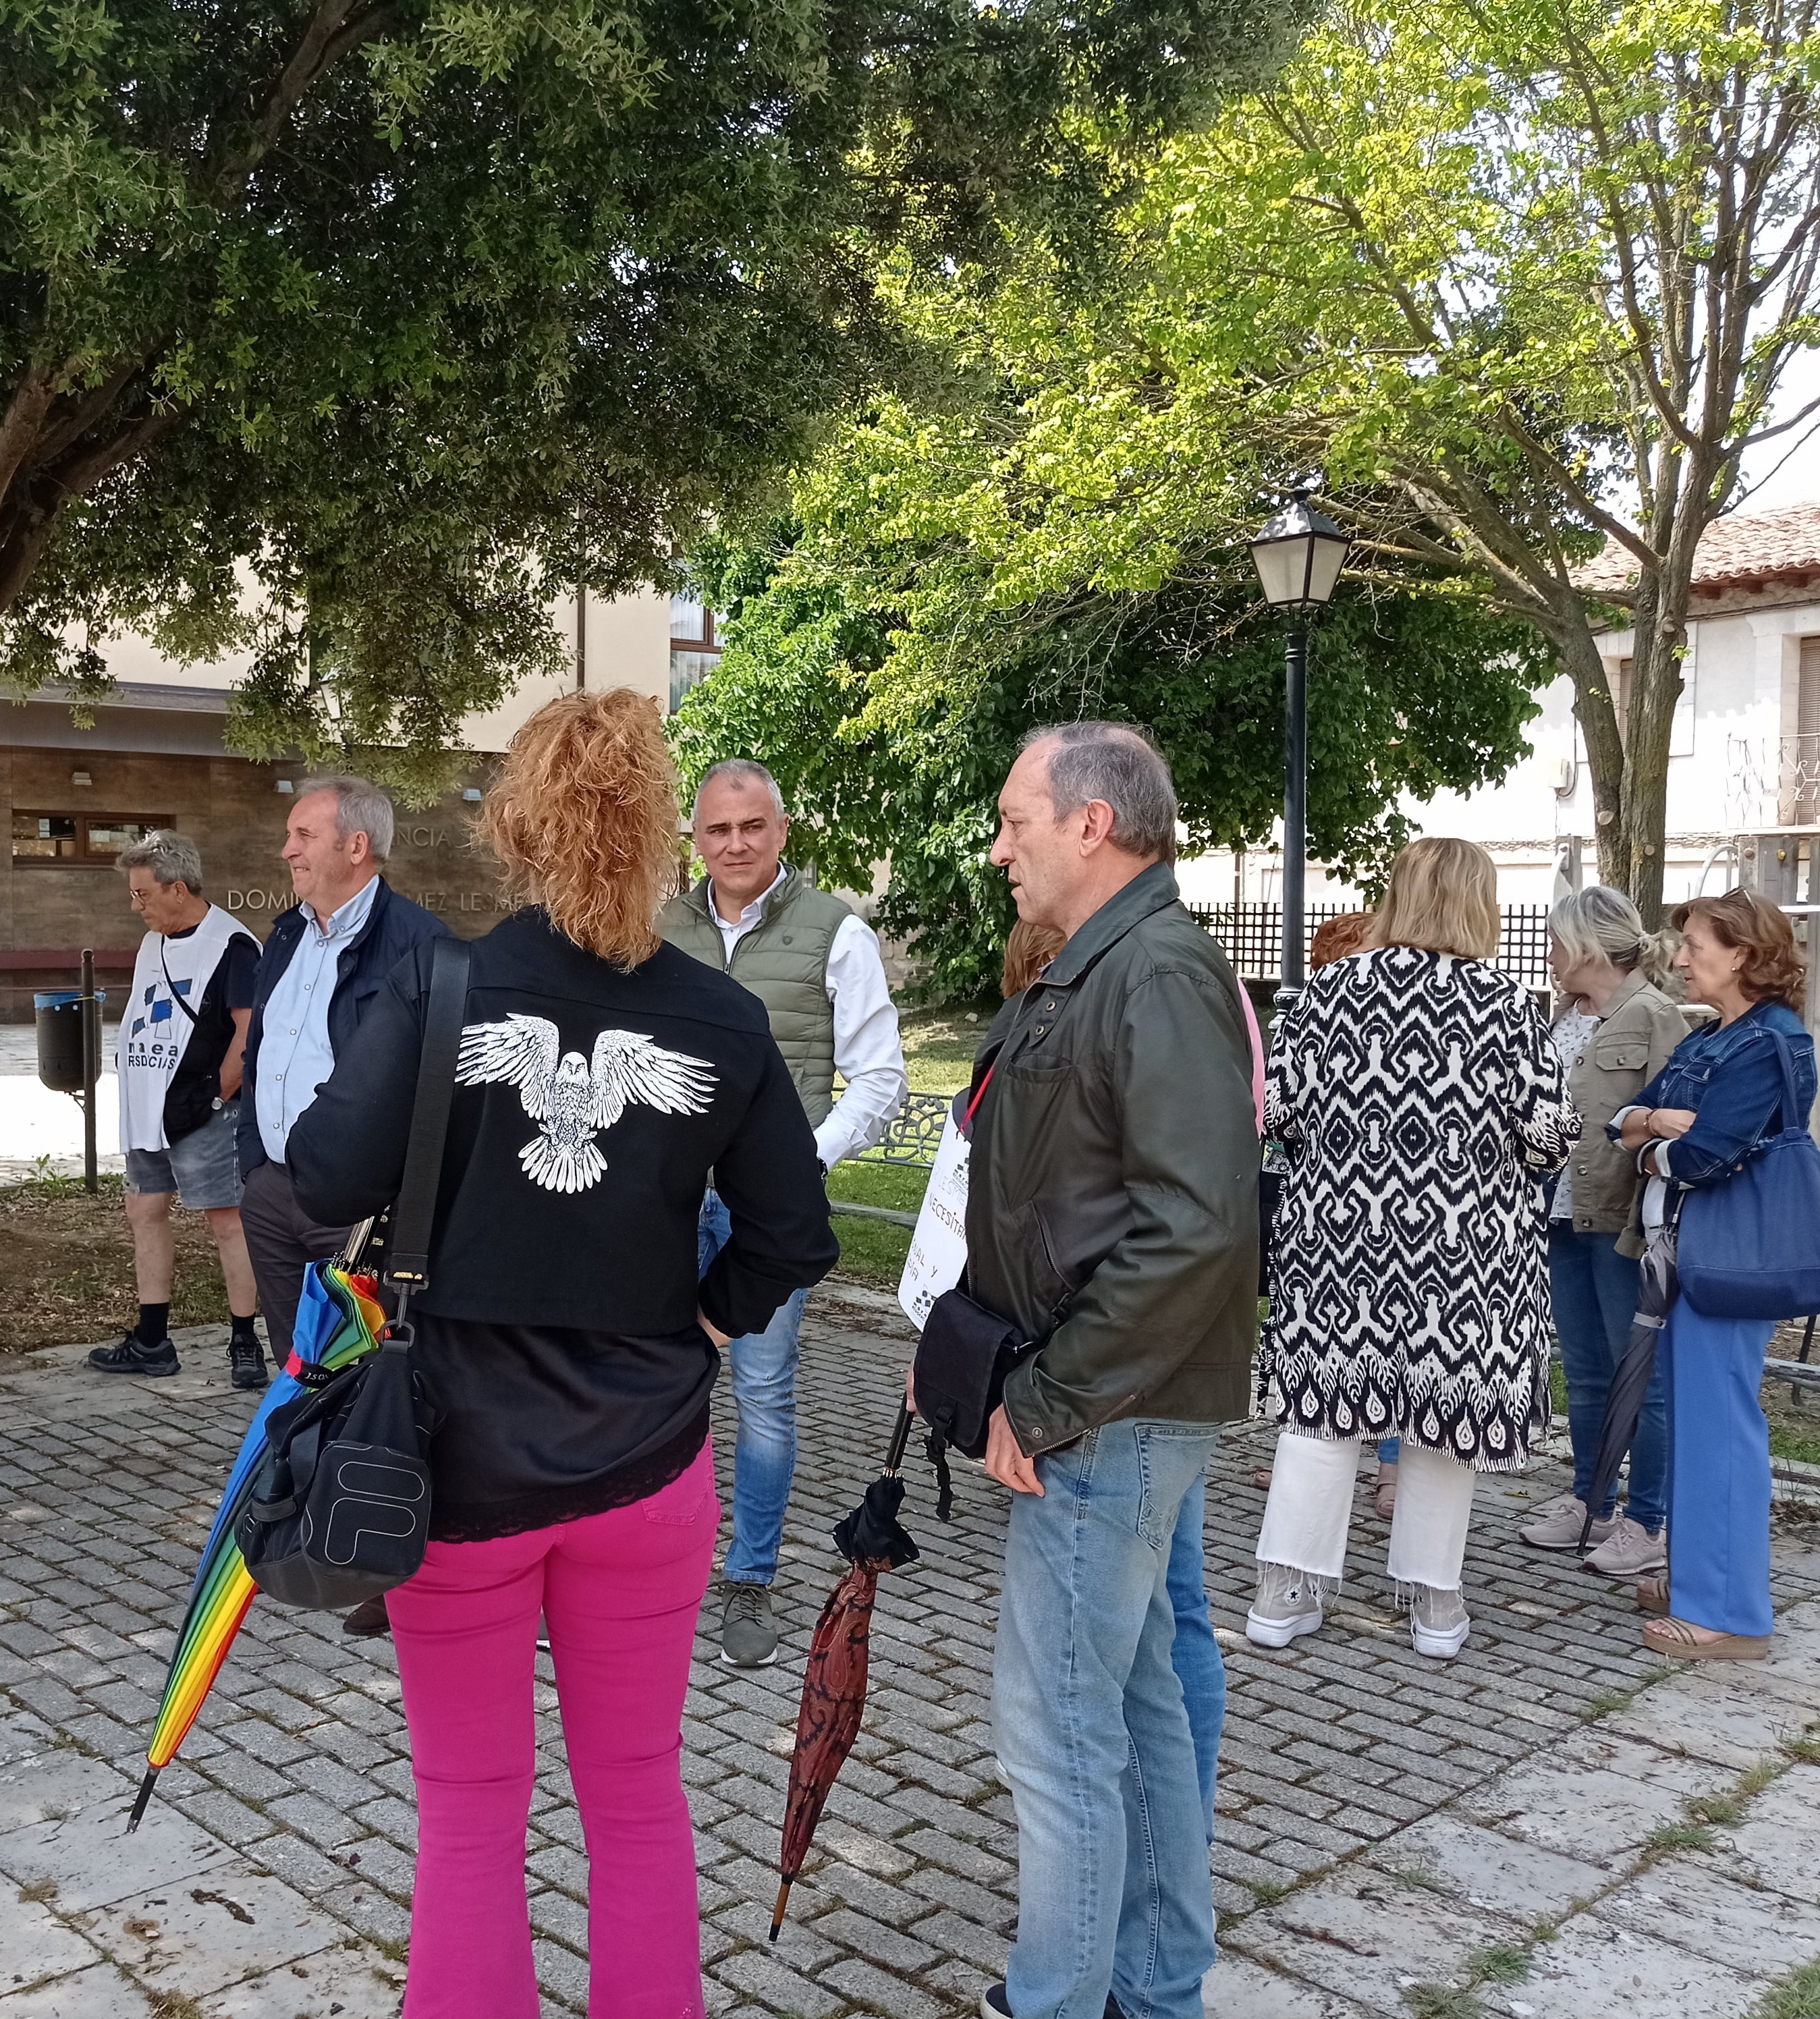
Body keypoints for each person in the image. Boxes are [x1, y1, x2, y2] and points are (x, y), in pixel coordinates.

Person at [287, 690, 836, 2018]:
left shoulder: (435, 982)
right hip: (647, 1464)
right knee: (636, 1787)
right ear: (668, 832)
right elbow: (793, 1234)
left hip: (451, 1461)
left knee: (471, 1807)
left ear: (515, 824)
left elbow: (317, 1175)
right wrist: (697, 1320)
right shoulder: (718, 1016)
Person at [962, 723, 1257, 2019]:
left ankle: (1062, 1998)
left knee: (1060, 1732)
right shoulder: (1109, 965)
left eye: (1017, 817)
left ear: (1091, 823)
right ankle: (1154, 1989)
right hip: (1105, 1399)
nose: (999, 843)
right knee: (1134, 1719)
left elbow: (1196, 1225)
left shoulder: (1156, 971)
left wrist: (1049, 1394)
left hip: (1107, 1413)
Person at [1250, 838, 1576, 1662]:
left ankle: (1282, 1592)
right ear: (1479, 904)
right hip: (1464, 1248)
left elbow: (1275, 1114)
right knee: (1444, 1421)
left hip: (1337, 1241)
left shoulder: (1325, 991)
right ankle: (1434, 1603)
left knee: (1321, 1413)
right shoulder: (1506, 1005)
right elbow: (1547, 1138)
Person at [660, 759, 906, 1667]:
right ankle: (649, 1554)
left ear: (782, 830)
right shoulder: (660, 927)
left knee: (762, 1395)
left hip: (762, 1216)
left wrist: (794, 1165)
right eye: (718, 830)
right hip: (665, 1201)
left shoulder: (833, 930)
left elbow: (880, 1076)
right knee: (655, 1377)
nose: (734, 844)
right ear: (697, 838)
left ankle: (749, 1577)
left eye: (751, 827)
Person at [240, 776, 449, 1636]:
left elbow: (428, 1091)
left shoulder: (419, 945)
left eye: (301, 834)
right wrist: (256, 1168)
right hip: (276, 1192)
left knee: (376, 1386)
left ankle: (389, 1565)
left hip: (360, 1209)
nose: (286, 850)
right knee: (302, 1373)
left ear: (353, 846)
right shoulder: (287, 933)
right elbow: (262, 1052)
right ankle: (313, 1533)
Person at [1615, 889, 1816, 1659]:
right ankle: (1700, 1574)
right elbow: (1624, 1116)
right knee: (1701, 1423)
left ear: (1741, 954)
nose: (1682, 955)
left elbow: (1707, 1154)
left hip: (1728, 1255)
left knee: (1720, 1431)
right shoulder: (1715, 1036)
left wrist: (1646, 1143)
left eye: (1696, 942)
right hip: (1688, 1250)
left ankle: (1730, 1614)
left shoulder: (1766, 1042)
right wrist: (1649, 1127)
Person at [1518, 886, 1688, 1574]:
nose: (1549, 954)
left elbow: (1675, 1119)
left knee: (1641, 1377)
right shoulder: (1563, 1014)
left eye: (1557, 941)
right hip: (1560, 1215)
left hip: (1623, 1226)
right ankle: (1591, 1503)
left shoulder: (1654, 1015)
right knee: (1586, 1373)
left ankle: (1648, 1521)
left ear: (1588, 945)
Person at [88, 831, 267, 1389]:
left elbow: (249, 1031)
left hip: (203, 1111)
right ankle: (152, 1339)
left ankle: (245, 1341)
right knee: (144, 1212)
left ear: (179, 889)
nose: (135, 904)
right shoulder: (154, 942)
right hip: (148, 1109)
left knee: (227, 1224)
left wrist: (215, 1094)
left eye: (143, 894)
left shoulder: (232, 946)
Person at [1302, 911, 1401, 1519]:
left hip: (1395, 1208)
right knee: (1343, 1345)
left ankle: (1391, 1467)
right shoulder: (1324, 1013)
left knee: (1393, 1345)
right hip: (1337, 1211)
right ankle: (1317, 1463)